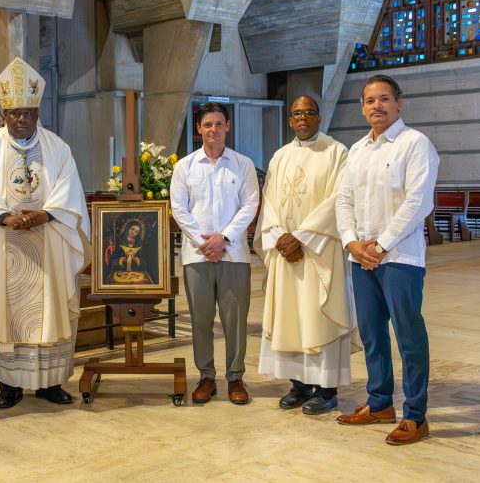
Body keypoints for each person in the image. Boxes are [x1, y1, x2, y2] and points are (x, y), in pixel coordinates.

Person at [0, 57, 91, 409]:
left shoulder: (57, 148)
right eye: (15, 113)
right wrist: (4, 218)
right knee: (8, 311)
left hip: (48, 242)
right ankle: (9, 384)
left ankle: (51, 383)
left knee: (50, 310)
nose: (22, 119)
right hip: (5, 244)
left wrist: (45, 215)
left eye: (28, 113)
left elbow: (70, 191)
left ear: (37, 113)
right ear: (4, 114)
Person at [336, 74, 439, 445]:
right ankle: (380, 402)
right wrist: (351, 243)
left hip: (400, 258)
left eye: (383, 99)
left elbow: (418, 202)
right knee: (372, 334)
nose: (375, 106)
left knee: (409, 337)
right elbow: (343, 201)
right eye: (368, 100)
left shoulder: (415, 144)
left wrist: (380, 245)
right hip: (361, 259)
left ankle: (416, 415)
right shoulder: (357, 150)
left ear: (399, 103)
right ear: (362, 107)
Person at [254, 95, 360, 415]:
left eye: (309, 113)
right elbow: (268, 201)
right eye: (297, 113)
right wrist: (279, 238)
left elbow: (338, 201)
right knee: (291, 316)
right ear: (290, 120)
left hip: (320, 251)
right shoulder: (279, 157)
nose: (303, 118)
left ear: (319, 117)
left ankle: (326, 390)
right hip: (285, 253)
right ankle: (299, 385)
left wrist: (300, 238)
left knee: (318, 316)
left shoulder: (336, 152)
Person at [169, 102, 259, 405]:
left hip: (233, 255)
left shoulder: (243, 164)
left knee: (235, 319)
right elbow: (179, 208)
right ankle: (206, 376)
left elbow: (250, 204)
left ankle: (235, 377)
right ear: (199, 129)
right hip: (197, 257)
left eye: (219, 124)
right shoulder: (185, 166)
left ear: (228, 126)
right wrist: (203, 242)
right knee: (201, 319)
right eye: (207, 124)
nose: (213, 130)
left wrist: (225, 238)